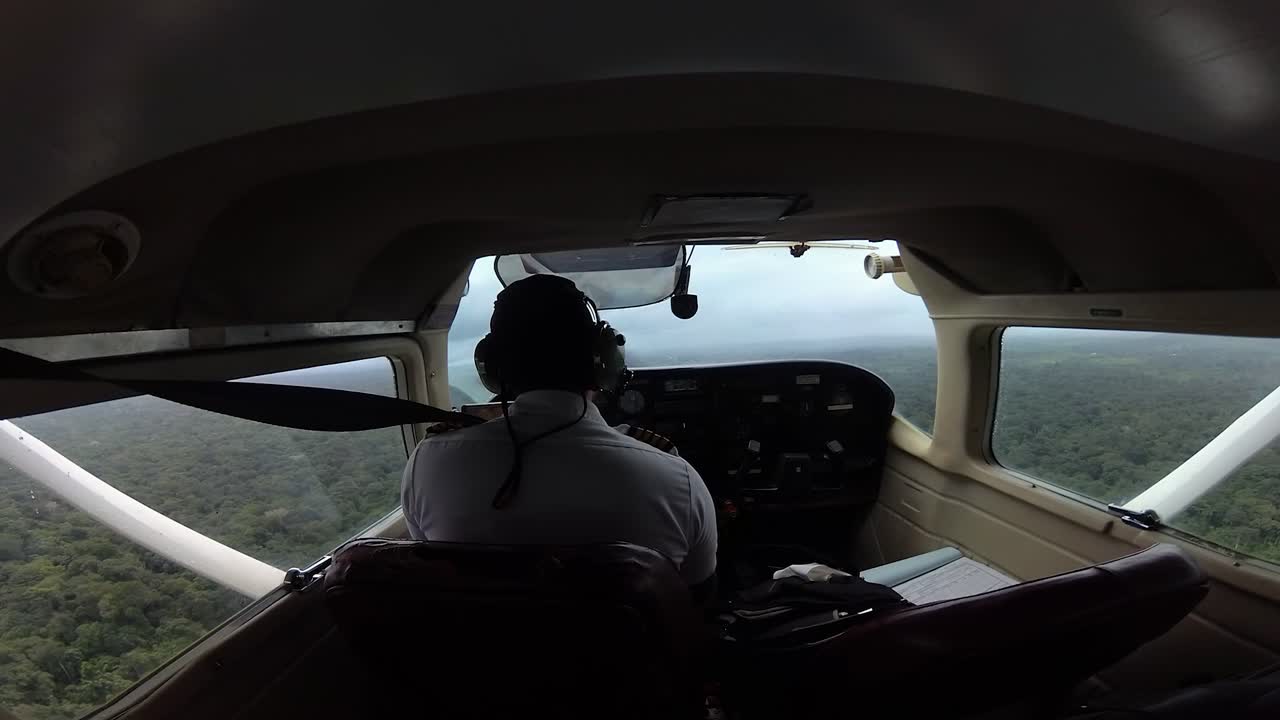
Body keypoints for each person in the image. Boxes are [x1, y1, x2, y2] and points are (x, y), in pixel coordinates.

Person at [400, 274, 718, 596]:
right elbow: (697, 596)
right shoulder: (676, 481)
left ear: (493, 368)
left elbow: (428, 566)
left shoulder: (427, 464)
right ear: (602, 360)